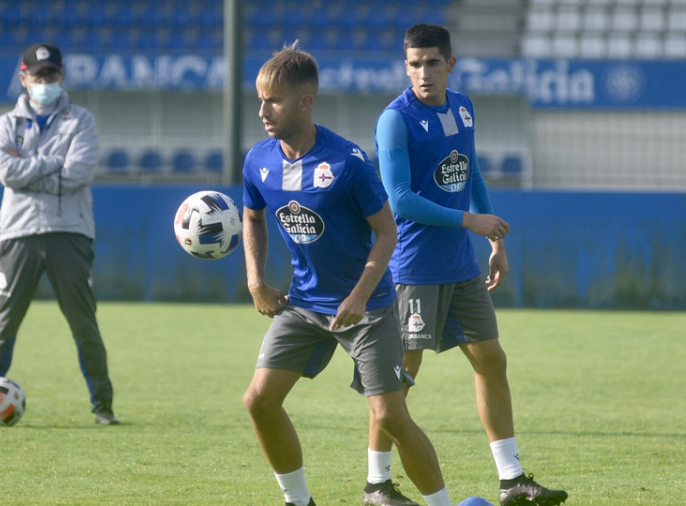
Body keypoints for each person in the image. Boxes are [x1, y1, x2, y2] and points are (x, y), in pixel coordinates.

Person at [361, 24, 567, 506]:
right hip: (414, 269)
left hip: (461, 265)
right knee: (398, 382)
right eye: (414, 64)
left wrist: (493, 238)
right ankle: (376, 484)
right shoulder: (396, 120)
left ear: (450, 64)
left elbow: (469, 169)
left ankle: (512, 479)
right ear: (405, 66)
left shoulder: (463, 107)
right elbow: (401, 200)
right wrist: (471, 220)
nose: (423, 72)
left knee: (491, 360)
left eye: (432, 62)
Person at [242, 42, 454, 506]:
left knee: (392, 416)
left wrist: (359, 296)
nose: (262, 110)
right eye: (259, 99)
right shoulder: (258, 160)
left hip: (369, 308)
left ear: (305, 101)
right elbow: (252, 216)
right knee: (258, 400)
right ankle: (298, 501)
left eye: (272, 100)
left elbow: (387, 233)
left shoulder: (346, 162)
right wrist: (256, 281)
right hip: (303, 306)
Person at [0, 43, 120, 426]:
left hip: (70, 232)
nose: (44, 81)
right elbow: (5, 172)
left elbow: (78, 173)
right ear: (24, 78)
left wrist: (29, 169)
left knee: (84, 324)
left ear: (61, 76)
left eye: (51, 74)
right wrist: (53, 166)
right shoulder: (6, 123)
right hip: (19, 233)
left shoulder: (81, 120)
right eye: (38, 75)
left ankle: (103, 407)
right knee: (4, 324)